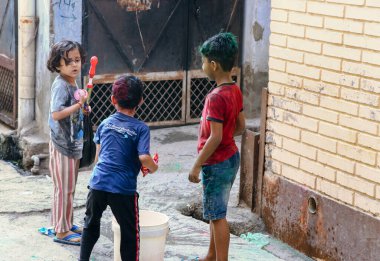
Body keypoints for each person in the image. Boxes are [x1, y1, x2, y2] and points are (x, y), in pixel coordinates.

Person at [79, 75, 158, 261]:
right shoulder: (141, 128)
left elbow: (99, 158)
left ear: (113, 100)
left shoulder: (105, 124)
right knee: (130, 234)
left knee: (90, 225)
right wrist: (152, 167)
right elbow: (144, 157)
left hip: (98, 183)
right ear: (141, 100)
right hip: (123, 190)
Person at [188, 32, 246, 261]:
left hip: (217, 163)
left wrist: (196, 165)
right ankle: (211, 255)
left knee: (218, 216)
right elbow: (241, 125)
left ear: (213, 65)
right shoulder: (235, 89)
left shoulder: (215, 97)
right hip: (231, 158)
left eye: (203, 62)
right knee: (215, 212)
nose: (202, 65)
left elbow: (214, 137)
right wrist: (224, 137)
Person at [46, 40, 88, 245]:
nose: (74, 65)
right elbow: (56, 114)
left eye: (77, 60)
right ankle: (61, 231)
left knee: (68, 188)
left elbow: (74, 108)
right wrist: (78, 105)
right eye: (68, 61)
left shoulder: (73, 81)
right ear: (57, 65)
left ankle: (64, 223)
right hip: (62, 145)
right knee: (63, 189)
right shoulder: (61, 85)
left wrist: (83, 108)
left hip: (72, 143)